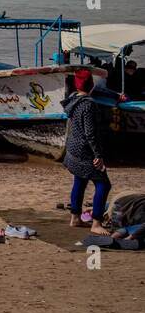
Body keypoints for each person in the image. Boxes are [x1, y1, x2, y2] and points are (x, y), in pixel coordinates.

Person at [63, 68, 110, 234]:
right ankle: (96, 223)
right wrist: (99, 155)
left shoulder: (72, 99)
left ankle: (75, 217)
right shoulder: (88, 104)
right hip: (84, 150)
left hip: (73, 147)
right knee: (104, 184)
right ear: (91, 85)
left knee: (80, 180)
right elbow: (90, 133)